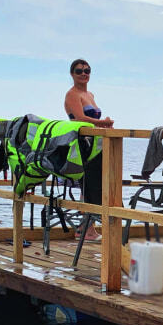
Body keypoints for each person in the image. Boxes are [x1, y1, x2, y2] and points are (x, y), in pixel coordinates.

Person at [63, 58, 113, 236]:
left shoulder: (90, 94)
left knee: (96, 184)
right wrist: (102, 123)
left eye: (87, 70)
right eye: (79, 71)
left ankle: (88, 226)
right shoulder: (72, 94)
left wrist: (104, 126)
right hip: (82, 144)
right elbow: (79, 118)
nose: (84, 74)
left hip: (96, 144)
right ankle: (86, 228)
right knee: (88, 184)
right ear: (72, 74)